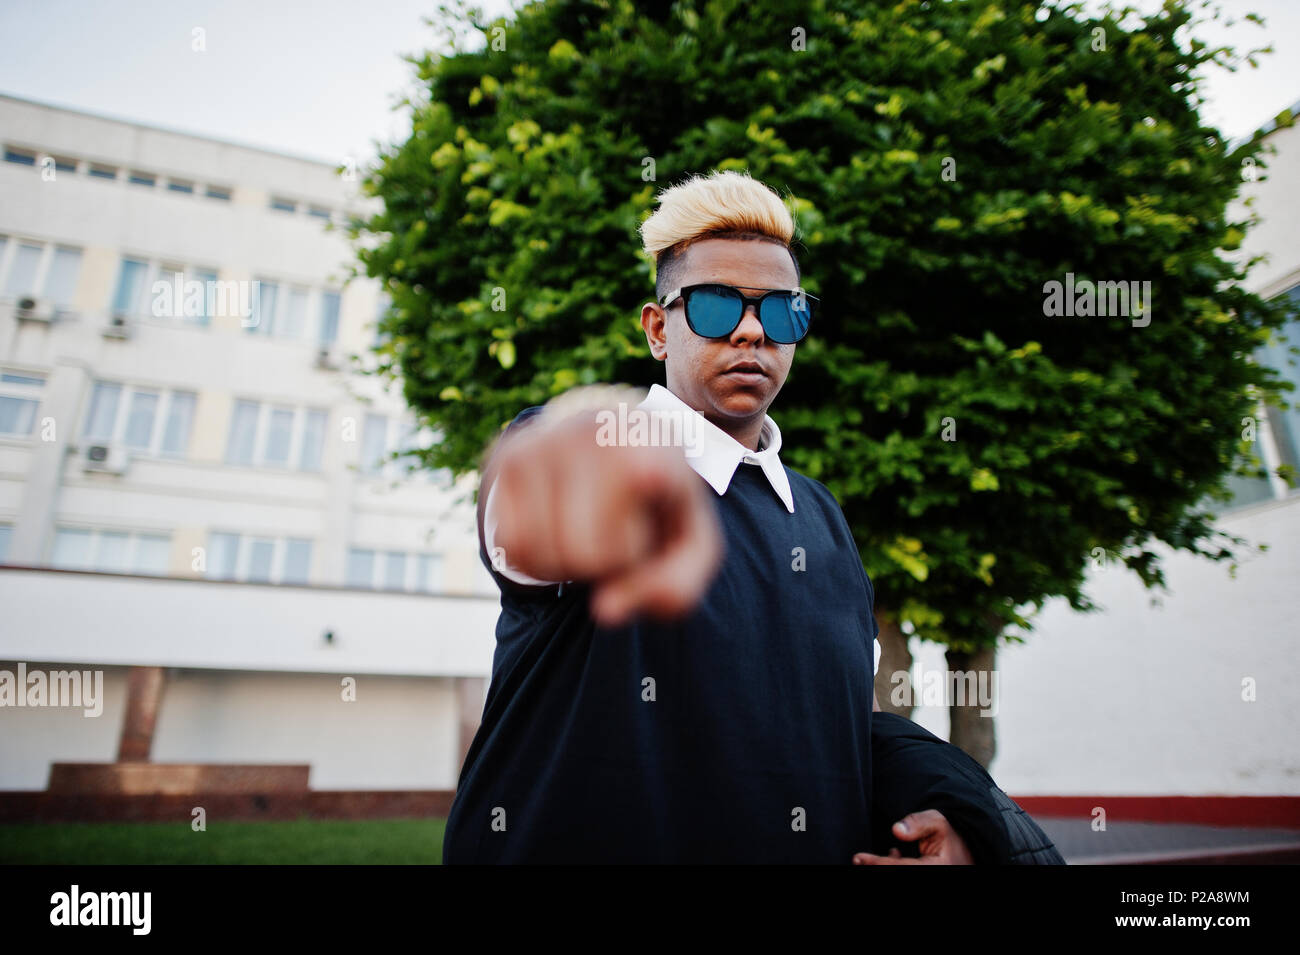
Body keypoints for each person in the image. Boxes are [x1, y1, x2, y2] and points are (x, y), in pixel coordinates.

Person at [442, 169, 1063, 864]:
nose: (749, 329)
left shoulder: (821, 518)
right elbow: (531, 511)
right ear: (657, 329)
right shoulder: (606, 465)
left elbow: (838, 726)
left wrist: (953, 814)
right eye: (714, 305)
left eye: (780, 310)